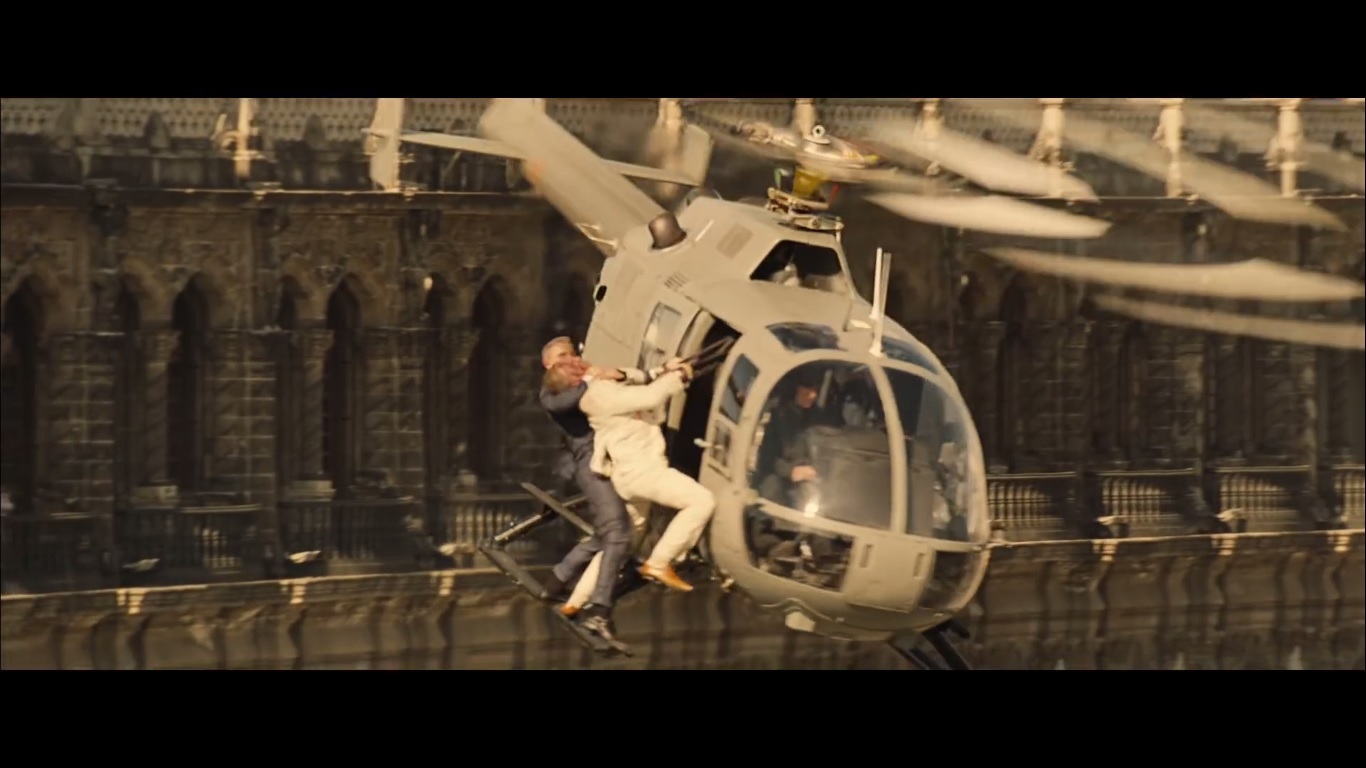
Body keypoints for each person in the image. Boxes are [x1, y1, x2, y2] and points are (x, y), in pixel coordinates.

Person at [554, 354, 716, 599]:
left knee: (621, 542)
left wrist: (662, 372)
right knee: (702, 501)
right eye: (579, 365)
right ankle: (660, 562)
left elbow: (645, 398)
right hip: (644, 472)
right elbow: (650, 397)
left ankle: (577, 600)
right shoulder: (598, 394)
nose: (587, 363)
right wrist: (678, 376)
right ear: (579, 378)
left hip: (630, 475)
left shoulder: (602, 390)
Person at [536, 337, 648, 640]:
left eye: (572, 354)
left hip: (613, 459)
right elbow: (571, 400)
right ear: (547, 364)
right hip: (592, 468)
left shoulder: (581, 381)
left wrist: (616, 376)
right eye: (562, 356)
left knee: (605, 535)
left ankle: (557, 578)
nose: (570, 359)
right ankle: (600, 610)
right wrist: (594, 377)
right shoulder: (551, 394)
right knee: (618, 534)